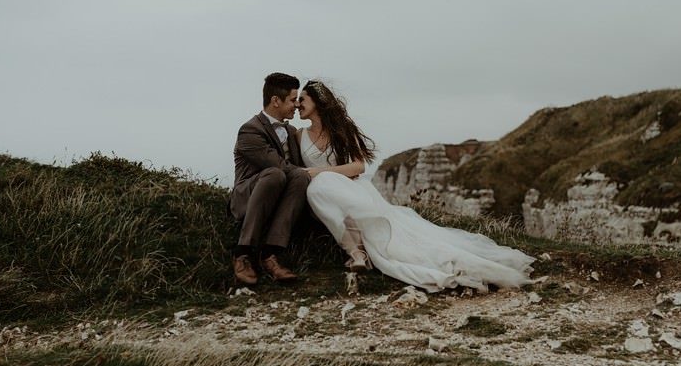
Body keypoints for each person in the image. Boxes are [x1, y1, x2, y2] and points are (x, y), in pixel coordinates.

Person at [296, 79, 534, 292]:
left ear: (318, 101)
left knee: (326, 186)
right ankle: (355, 252)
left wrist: (320, 172)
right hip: (325, 195)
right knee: (318, 188)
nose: (297, 104)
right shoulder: (299, 135)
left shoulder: (342, 131)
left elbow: (358, 167)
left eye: (302, 99)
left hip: (351, 187)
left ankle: (361, 251)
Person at [229, 72, 310, 284]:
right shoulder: (250, 130)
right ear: (276, 100)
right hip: (248, 196)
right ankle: (242, 253)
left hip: (279, 196)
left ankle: (270, 254)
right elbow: (279, 166)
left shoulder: (291, 131)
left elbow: (297, 171)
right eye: (293, 100)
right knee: (277, 173)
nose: (297, 105)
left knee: (300, 178)